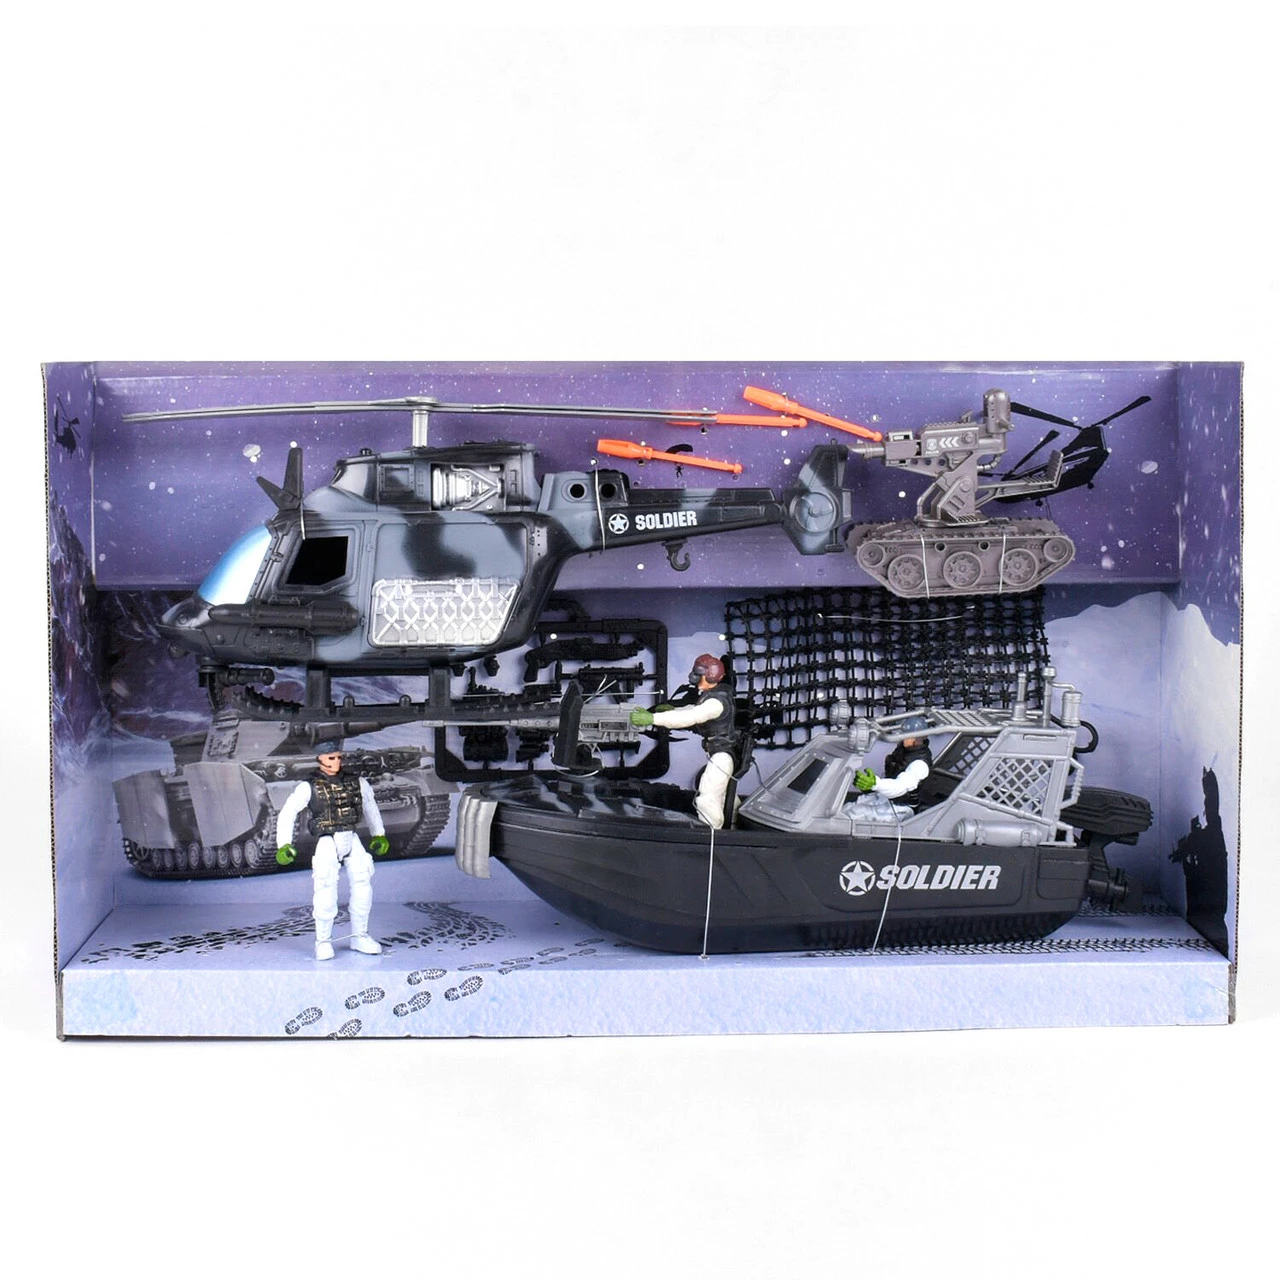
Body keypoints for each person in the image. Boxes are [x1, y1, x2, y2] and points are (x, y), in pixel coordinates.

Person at [275, 742, 390, 960]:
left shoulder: (357, 782)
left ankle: (360, 936)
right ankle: (323, 942)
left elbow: (370, 806)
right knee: (325, 888)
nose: (336, 762)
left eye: (338, 757)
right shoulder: (309, 787)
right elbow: (288, 812)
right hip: (327, 840)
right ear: (320, 759)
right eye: (330, 758)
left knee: (363, 884)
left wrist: (378, 834)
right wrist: (284, 844)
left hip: (351, 836)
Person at [630, 654, 739, 829]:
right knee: (724, 795)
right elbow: (693, 709)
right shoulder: (715, 696)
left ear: (709, 675)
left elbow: (691, 717)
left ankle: (711, 835)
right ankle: (734, 827)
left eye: (698, 673)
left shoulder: (715, 703)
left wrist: (653, 719)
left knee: (708, 798)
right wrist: (672, 711)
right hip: (720, 753)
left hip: (721, 756)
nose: (693, 677)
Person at [854, 714, 933, 808]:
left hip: (901, 807)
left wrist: (876, 784)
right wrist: (872, 788)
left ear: (917, 738)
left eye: (906, 736)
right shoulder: (904, 749)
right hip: (887, 798)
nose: (902, 738)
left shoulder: (920, 764)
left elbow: (900, 787)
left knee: (854, 814)